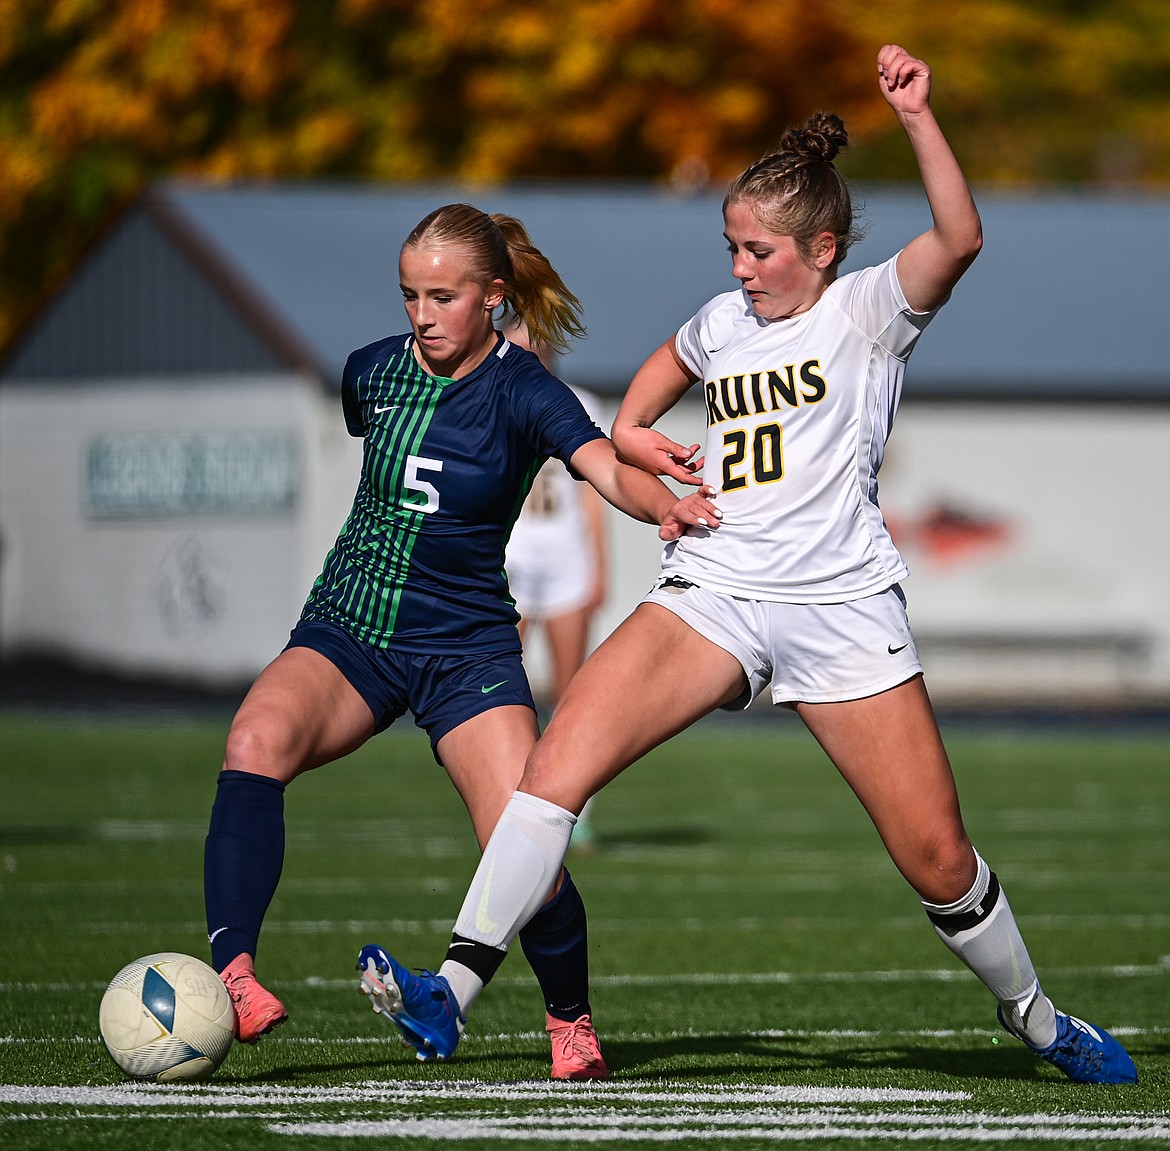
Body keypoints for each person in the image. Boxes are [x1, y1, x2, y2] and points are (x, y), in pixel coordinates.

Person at [361, 46, 1139, 1085]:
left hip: (840, 607)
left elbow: (962, 236)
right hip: (717, 590)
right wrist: (633, 435)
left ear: (821, 248)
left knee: (938, 859)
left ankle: (1040, 1019)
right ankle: (447, 993)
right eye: (731, 246)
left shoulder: (867, 310)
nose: (739, 269)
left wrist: (916, 116)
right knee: (552, 770)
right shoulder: (726, 321)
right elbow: (661, 371)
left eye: (759, 250)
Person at [202, 202, 699, 1081]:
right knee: (253, 740)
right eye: (409, 296)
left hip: (466, 647)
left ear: (493, 298)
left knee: (524, 840)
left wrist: (666, 504)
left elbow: (599, 465)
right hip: (350, 624)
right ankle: (235, 976)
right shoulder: (373, 373)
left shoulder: (525, 388)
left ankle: (571, 1021)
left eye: (442, 296)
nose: (421, 315)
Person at [504, 324, 609, 851]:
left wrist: (598, 568)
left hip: (565, 558)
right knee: (498, 684)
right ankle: (510, 796)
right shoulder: (497, 393)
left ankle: (578, 810)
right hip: (515, 559)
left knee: (570, 692)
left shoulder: (581, 402)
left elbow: (593, 495)